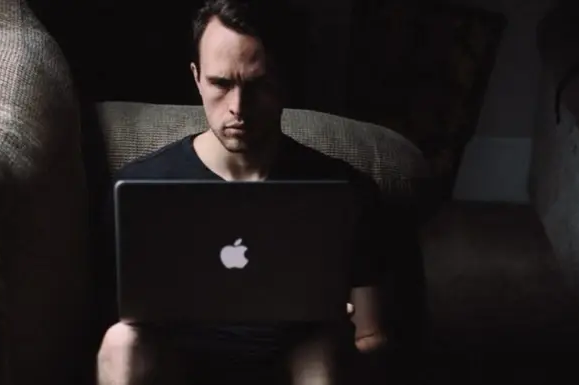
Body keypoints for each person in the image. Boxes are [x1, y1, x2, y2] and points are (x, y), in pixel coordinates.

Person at [96, 1, 388, 383]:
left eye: (256, 85)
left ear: (283, 83)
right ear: (196, 77)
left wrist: (345, 335)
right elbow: (100, 320)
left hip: (294, 362)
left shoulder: (343, 192)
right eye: (221, 83)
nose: (237, 107)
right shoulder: (136, 191)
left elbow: (372, 335)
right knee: (121, 343)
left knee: (326, 349)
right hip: (178, 362)